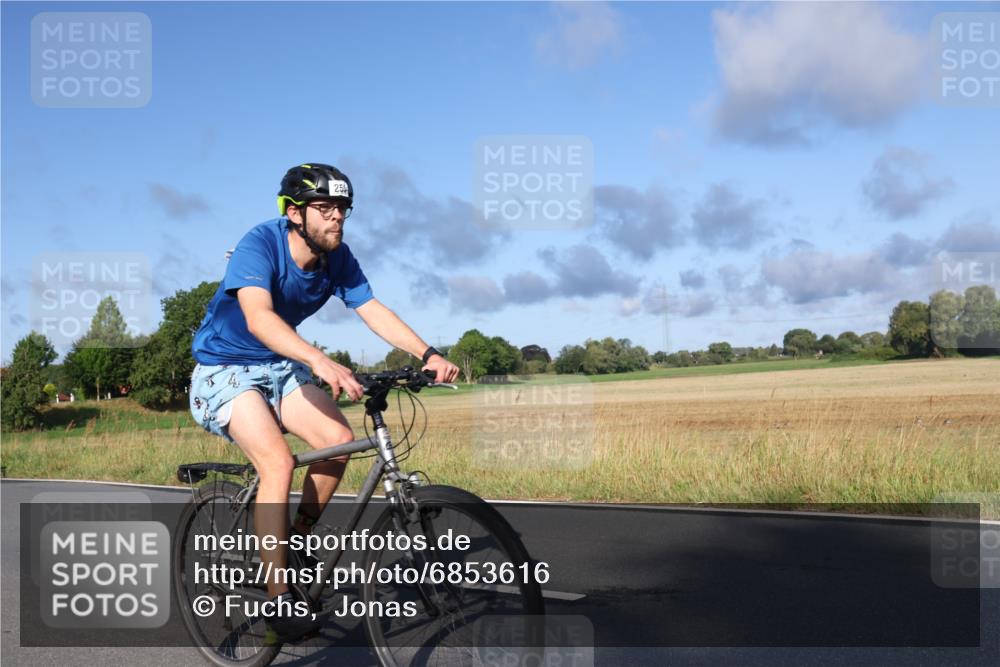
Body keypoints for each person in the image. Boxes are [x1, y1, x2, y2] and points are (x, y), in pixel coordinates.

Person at [189, 163, 459, 640]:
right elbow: (258, 318)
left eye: (342, 209)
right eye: (325, 208)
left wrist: (428, 353)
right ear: (294, 213)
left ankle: (291, 540)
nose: (337, 218)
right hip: (223, 369)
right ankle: (279, 596)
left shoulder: (338, 258)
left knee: (337, 441)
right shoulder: (261, 244)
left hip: (276, 368)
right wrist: (321, 361)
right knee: (277, 463)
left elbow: (372, 309)